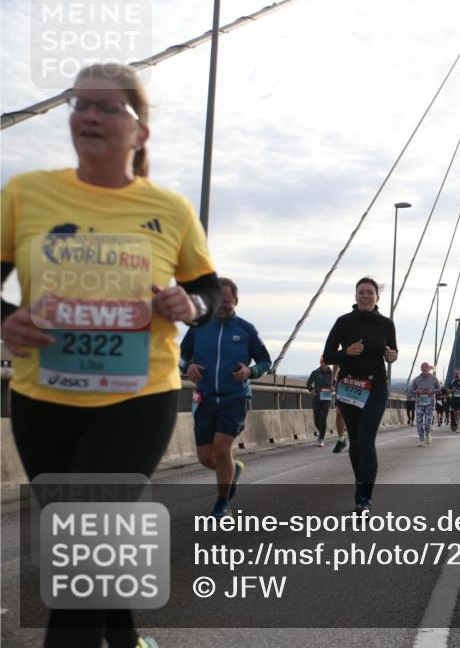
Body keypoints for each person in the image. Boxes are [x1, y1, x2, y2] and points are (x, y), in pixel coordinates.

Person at [1, 62, 219, 648]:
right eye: (80, 103)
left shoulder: (169, 209)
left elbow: (206, 289)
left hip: (137, 398)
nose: (89, 115)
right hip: (41, 398)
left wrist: (186, 303)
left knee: (81, 553)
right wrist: (6, 320)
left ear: (140, 131)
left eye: (106, 106)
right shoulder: (25, 193)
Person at [180, 277, 272, 518]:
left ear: (236, 301)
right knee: (205, 457)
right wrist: (187, 367)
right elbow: (180, 356)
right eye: (218, 300)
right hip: (205, 398)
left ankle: (222, 504)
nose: (222, 305)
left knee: (222, 450)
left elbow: (265, 361)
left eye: (227, 301)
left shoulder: (246, 329)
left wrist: (249, 371)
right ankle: (234, 468)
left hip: (235, 397)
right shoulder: (199, 326)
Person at [323, 277, 398, 513]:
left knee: (366, 440)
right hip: (349, 387)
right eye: (361, 292)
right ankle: (360, 483)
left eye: (369, 292)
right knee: (355, 441)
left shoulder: (386, 324)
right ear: (355, 296)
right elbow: (328, 356)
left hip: (376, 387)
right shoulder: (344, 322)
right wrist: (347, 352)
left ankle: (363, 498)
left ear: (377, 297)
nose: (365, 296)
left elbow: (392, 351)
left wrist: (391, 356)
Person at [409, 362, 441, 446]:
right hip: (419, 403)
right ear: (421, 369)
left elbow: (439, 389)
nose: (424, 369)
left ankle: (427, 434)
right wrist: (417, 392)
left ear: (429, 369)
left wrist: (432, 391)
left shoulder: (433, 378)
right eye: (423, 368)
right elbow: (411, 391)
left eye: (426, 368)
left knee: (428, 421)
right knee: (419, 421)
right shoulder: (416, 379)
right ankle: (421, 440)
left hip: (430, 403)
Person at [306, 356, 336, 447]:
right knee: (316, 420)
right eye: (322, 361)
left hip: (327, 399)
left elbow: (337, 384)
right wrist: (311, 390)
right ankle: (322, 432)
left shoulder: (333, 374)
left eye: (325, 361)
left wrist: (334, 389)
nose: (323, 363)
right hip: (317, 399)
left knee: (323, 417)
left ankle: (321, 439)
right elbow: (308, 384)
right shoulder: (315, 373)